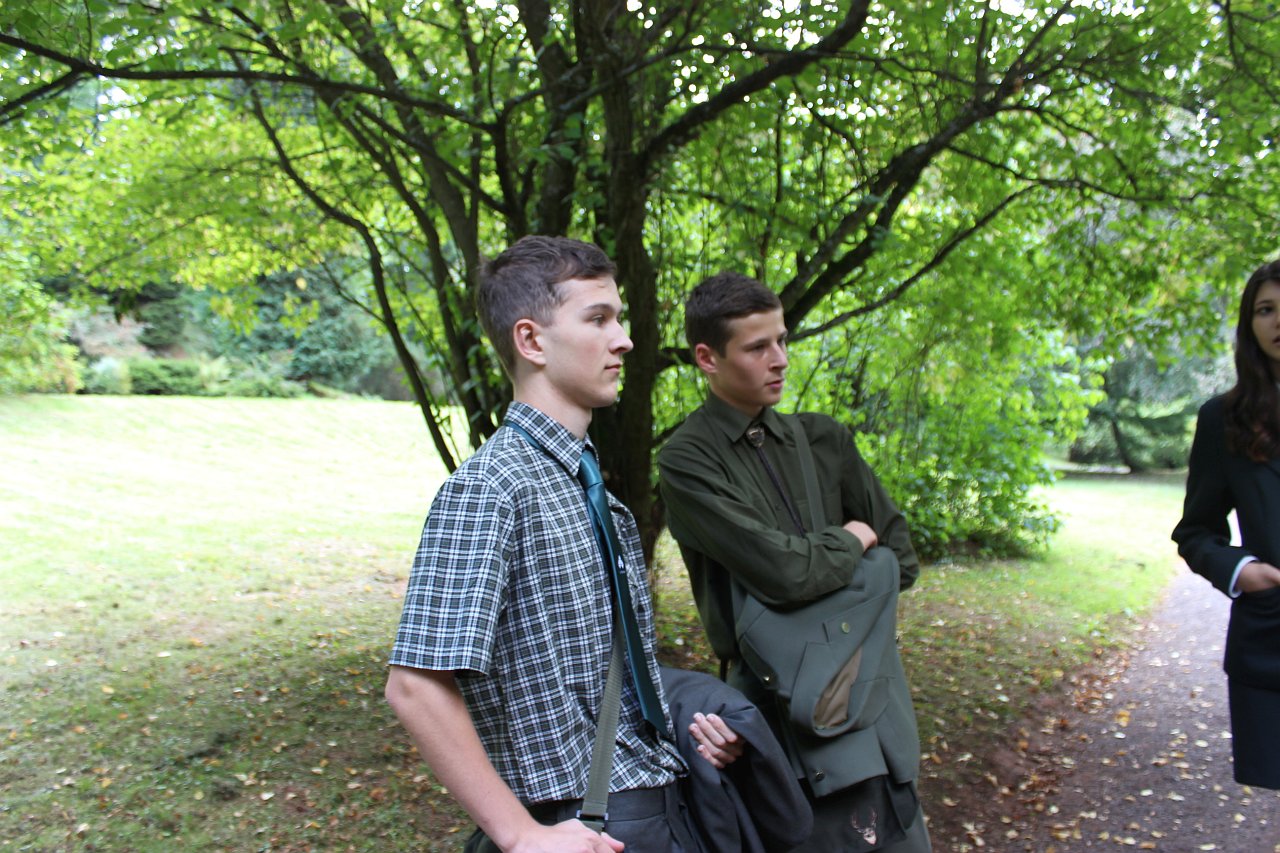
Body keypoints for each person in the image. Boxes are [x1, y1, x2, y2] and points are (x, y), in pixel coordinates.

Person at [385, 236, 744, 853]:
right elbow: (414, 686)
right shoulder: (492, 488)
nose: (624, 339)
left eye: (619, 318)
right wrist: (522, 835)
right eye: (598, 319)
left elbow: (602, 675)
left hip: (655, 813)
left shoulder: (583, 486)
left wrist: (690, 724)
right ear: (531, 341)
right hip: (583, 825)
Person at [658, 271, 932, 852]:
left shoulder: (824, 440)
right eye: (757, 347)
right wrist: (854, 541)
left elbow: (901, 560)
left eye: (782, 340)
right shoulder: (687, 460)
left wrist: (822, 575)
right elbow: (784, 573)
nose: (780, 359)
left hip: (866, 686)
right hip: (769, 706)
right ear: (707, 358)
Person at [1172, 258, 1280, 791]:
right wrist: (1244, 572)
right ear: (1249, 324)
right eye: (1266, 309)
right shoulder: (1224, 418)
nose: (1279, 321)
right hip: (1272, 640)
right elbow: (1196, 533)